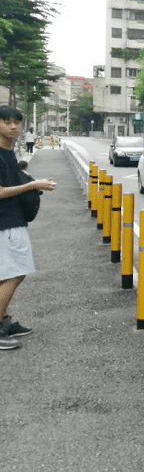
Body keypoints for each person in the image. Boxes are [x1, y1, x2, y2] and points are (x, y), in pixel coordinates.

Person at [0, 106, 57, 350]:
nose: (13, 126)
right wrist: (33, 185)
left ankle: (4, 320)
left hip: (11, 220)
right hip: (7, 223)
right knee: (15, 274)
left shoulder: (7, 153)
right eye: (7, 122)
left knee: (8, 273)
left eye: (17, 122)